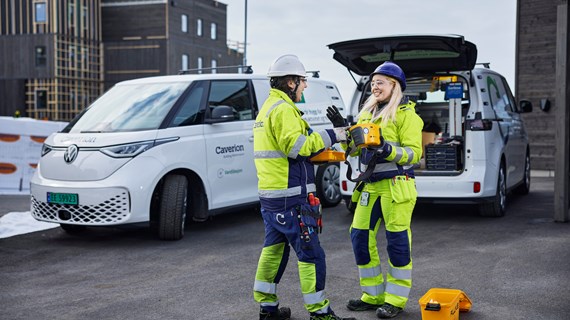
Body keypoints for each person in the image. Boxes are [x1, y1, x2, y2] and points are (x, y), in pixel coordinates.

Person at [252, 54, 355, 320]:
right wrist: (335, 134)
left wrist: (321, 143)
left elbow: (293, 147)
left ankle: (268, 309)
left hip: (272, 198)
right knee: (311, 255)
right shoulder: (284, 110)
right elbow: (296, 147)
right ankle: (320, 313)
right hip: (291, 199)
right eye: (302, 81)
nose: (305, 86)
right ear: (290, 82)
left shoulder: (269, 108)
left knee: (273, 253)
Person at [327, 61, 423, 318]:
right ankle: (372, 295)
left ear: (395, 86)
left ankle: (395, 300)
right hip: (370, 187)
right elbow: (355, 149)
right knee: (359, 236)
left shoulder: (407, 115)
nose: (375, 86)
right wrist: (343, 130)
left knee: (398, 243)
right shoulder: (366, 114)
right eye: (373, 82)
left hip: (396, 186)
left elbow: (414, 154)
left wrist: (386, 147)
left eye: (380, 82)